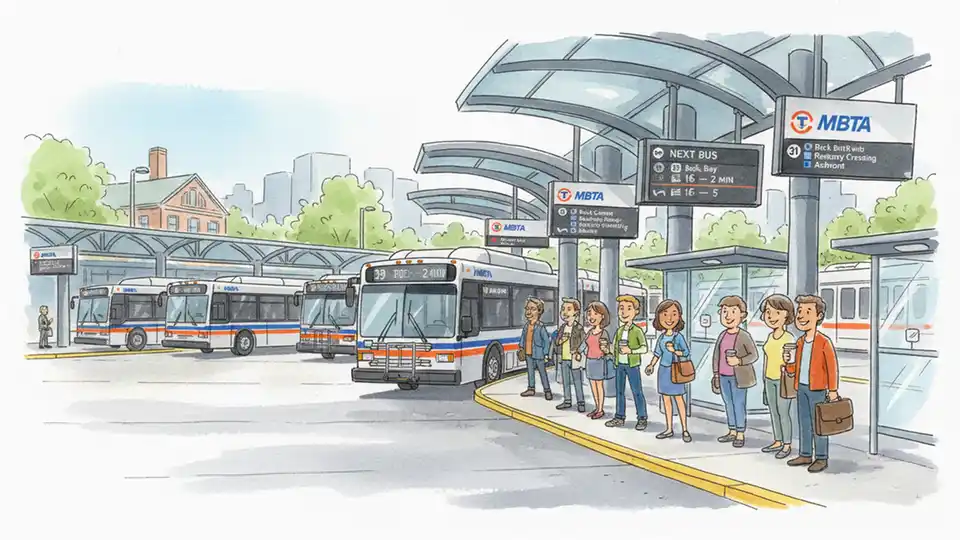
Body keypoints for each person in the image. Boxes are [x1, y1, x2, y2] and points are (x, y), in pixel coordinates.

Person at [784, 295, 839, 473]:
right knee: (804, 422)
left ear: (819, 316)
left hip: (818, 389)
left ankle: (821, 457)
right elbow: (794, 368)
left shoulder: (824, 342)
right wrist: (788, 363)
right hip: (801, 387)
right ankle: (805, 453)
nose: (801, 315)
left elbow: (832, 368)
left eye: (808, 311)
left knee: (819, 425)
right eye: (800, 311)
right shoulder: (799, 342)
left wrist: (833, 390)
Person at [711, 296, 759, 449]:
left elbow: (754, 355)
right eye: (724, 311)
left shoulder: (744, 335)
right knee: (728, 404)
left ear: (742, 315)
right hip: (724, 376)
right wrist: (716, 374)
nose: (728, 316)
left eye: (733, 311)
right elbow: (716, 355)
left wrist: (739, 361)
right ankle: (731, 430)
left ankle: (740, 433)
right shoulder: (722, 335)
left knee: (739, 404)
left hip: (739, 377)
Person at [644, 299, 691, 442]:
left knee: (679, 400)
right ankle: (669, 428)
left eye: (674, 314)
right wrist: (651, 365)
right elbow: (657, 353)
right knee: (666, 400)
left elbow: (686, 353)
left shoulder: (679, 337)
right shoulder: (662, 337)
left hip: (676, 371)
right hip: (663, 371)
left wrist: (675, 351)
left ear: (679, 316)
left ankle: (685, 429)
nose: (669, 318)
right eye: (665, 314)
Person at [760, 294, 796, 459]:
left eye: (776, 312)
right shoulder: (769, 337)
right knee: (773, 411)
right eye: (768, 312)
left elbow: (793, 362)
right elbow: (767, 359)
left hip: (783, 380)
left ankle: (787, 444)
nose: (771, 317)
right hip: (769, 379)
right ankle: (777, 440)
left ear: (786, 315)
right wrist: (763, 380)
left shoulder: (789, 338)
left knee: (783, 412)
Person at [606, 295, 649, 431]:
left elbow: (644, 348)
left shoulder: (637, 331)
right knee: (620, 391)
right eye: (621, 308)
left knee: (637, 391)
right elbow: (614, 348)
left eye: (628, 309)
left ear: (635, 312)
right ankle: (619, 416)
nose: (624, 312)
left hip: (632, 365)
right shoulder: (619, 331)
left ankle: (642, 417)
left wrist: (630, 350)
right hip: (620, 365)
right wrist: (608, 350)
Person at [553, 298, 586, 412]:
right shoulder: (562, 327)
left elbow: (584, 342)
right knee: (565, 381)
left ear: (576, 312)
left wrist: (578, 351)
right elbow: (556, 342)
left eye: (568, 309)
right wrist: (561, 340)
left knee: (577, 381)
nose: (565, 312)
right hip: (564, 359)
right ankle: (567, 401)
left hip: (574, 359)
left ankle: (581, 402)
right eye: (563, 309)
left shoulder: (578, 328)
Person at [519, 297, 553, 401]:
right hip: (528, 353)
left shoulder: (540, 327)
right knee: (530, 371)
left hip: (539, 354)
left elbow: (546, 341)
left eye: (532, 309)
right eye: (527, 309)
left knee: (542, 372)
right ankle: (531, 388)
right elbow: (523, 338)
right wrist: (521, 347)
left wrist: (546, 354)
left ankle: (547, 390)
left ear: (539, 311)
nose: (529, 312)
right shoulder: (526, 326)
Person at [583, 301, 612, 419]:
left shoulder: (604, 333)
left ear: (602, 316)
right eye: (589, 313)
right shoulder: (590, 332)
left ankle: (600, 409)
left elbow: (607, 349)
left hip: (599, 361)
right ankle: (596, 407)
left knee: (599, 386)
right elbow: (585, 344)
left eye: (595, 313)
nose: (591, 317)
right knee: (593, 386)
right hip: (589, 361)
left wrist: (606, 349)